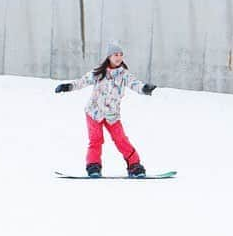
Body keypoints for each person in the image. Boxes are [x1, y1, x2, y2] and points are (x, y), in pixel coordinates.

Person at [55, 41, 157, 178]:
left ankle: (135, 166)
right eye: (116, 54)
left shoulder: (124, 75)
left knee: (121, 140)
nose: (119, 57)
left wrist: (144, 88)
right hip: (94, 112)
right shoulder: (98, 73)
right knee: (96, 140)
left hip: (112, 115)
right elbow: (81, 82)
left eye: (121, 55)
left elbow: (135, 84)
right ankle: (93, 166)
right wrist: (67, 87)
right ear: (109, 56)